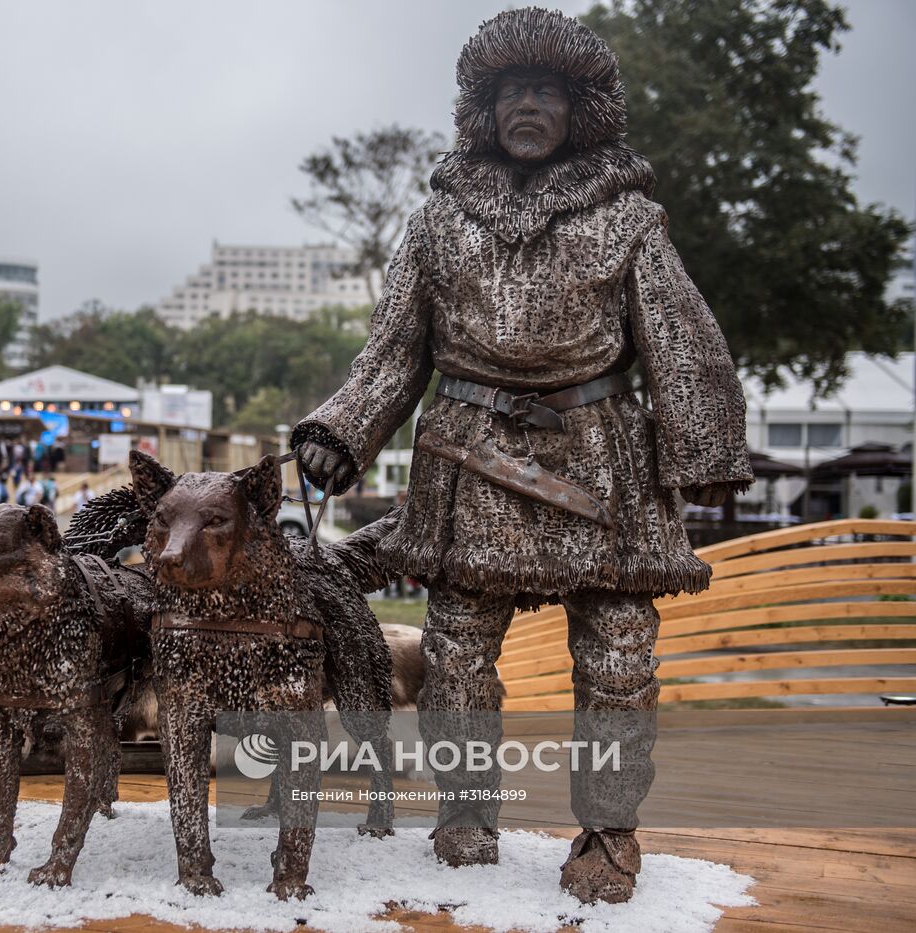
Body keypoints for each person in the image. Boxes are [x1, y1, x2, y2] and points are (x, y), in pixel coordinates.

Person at [291, 9, 751, 905]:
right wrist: (341, 430)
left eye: (545, 90)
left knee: (619, 652)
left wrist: (703, 446)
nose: (527, 106)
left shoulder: (631, 219)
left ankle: (609, 830)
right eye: (512, 91)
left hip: (601, 462)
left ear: (579, 108)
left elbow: (682, 340)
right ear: (484, 108)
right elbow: (393, 352)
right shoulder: (436, 222)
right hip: (468, 460)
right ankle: (467, 811)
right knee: (458, 644)